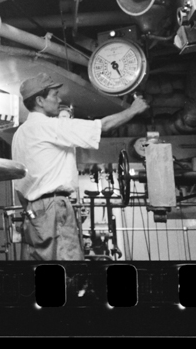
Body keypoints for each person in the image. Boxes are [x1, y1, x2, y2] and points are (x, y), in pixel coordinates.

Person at [12, 72, 149, 260]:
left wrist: (33, 208)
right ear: (40, 101)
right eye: (54, 95)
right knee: (67, 264)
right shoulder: (51, 126)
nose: (59, 100)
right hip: (54, 206)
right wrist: (134, 109)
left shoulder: (19, 134)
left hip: (32, 210)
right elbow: (103, 126)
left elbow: (19, 184)